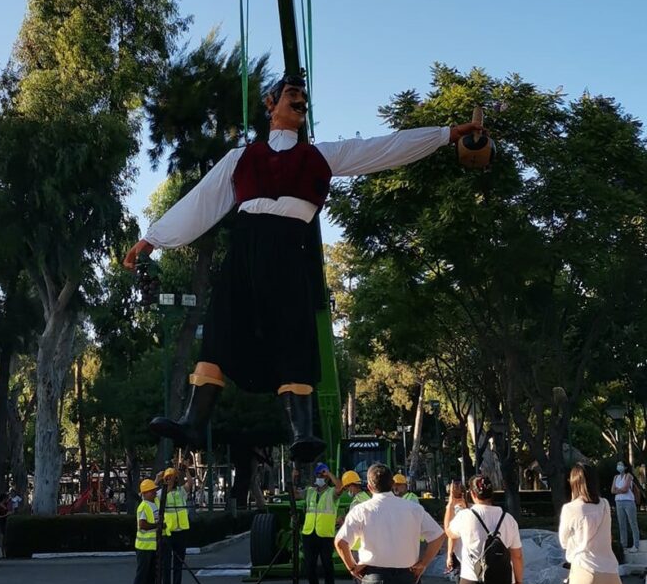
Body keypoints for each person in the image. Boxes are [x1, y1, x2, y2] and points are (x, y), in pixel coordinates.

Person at [124, 75, 485, 461]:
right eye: (292, 95)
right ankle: (193, 423)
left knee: (295, 336)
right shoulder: (240, 157)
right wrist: (152, 240)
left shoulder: (321, 156)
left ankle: (302, 434)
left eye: (303, 97)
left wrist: (448, 134)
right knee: (219, 329)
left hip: (291, 250)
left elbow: (385, 148)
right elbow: (200, 202)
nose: (300, 101)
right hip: (245, 250)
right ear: (270, 103)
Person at [297, 463, 344, 584]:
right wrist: (294, 478)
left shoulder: (331, 493)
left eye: (321, 476)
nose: (319, 478)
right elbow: (295, 493)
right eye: (318, 475)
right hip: (309, 533)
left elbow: (340, 487)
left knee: (327, 566)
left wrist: (328, 473)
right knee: (310, 566)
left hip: (325, 534)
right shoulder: (310, 491)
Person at [157, 464, 194, 584]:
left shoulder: (180, 492)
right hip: (168, 533)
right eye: (167, 478)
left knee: (178, 564)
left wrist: (187, 471)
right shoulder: (161, 494)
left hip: (181, 532)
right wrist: (157, 479)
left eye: (171, 478)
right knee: (166, 564)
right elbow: (147, 497)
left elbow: (190, 484)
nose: (169, 480)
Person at [339, 470, 370, 584]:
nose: (346, 491)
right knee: (358, 578)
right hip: (362, 543)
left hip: (358, 545)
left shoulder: (358, 501)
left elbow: (354, 524)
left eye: (346, 488)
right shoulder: (364, 497)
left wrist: (342, 521)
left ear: (352, 486)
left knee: (359, 578)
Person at [129, 479, 162, 584]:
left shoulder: (154, 503)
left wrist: (159, 479)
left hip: (152, 546)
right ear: (145, 493)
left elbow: (162, 492)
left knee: (151, 577)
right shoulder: (143, 506)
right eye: (152, 490)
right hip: (144, 547)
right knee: (142, 576)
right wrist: (157, 526)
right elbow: (142, 525)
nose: (155, 492)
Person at [445, 480, 468, 584]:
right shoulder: (469, 506)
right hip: (472, 552)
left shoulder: (454, 509)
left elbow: (450, 533)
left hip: (460, 553)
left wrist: (449, 554)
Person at [610, 461, 640, 554]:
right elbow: (612, 490)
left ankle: (636, 545)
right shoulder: (616, 477)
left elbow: (625, 489)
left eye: (621, 465)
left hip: (629, 502)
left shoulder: (629, 476)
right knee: (621, 524)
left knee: (632, 523)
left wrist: (617, 490)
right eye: (618, 464)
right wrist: (619, 490)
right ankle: (624, 545)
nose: (619, 466)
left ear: (625, 467)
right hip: (618, 502)